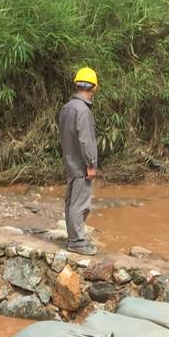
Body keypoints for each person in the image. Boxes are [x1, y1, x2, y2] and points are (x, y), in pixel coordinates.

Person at [59, 66, 100, 255]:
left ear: (77, 85)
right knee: (80, 204)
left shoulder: (67, 108)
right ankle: (77, 242)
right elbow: (85, 140)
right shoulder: (83, 111)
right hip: (81, 165)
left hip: (70, 161)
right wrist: (91, 164)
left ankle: (72, 238)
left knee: (71, 202)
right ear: (94, 88)